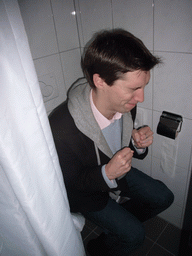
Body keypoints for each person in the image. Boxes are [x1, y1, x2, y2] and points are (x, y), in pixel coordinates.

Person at [49, 29, 174, 256]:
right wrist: (106, 173)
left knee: (164, 197)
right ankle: (98, 249)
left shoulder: (126, 105)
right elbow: (70, 185)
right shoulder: (60, 127)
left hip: (117, 176)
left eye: (143, 86)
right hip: (86, 194)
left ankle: (119, 228)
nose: (141, 98)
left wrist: (137, 144)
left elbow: (118, 147)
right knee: (135, 236)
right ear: (101, 80)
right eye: (134, 88)